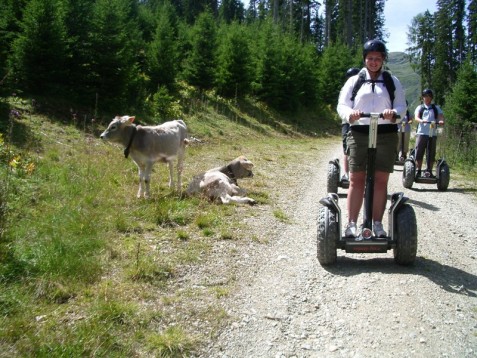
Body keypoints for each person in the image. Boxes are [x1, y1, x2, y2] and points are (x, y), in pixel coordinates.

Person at [337, 39, 406, 238]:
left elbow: (402, 106)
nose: (373, 62)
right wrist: (350, 114)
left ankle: (376, 223)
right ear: (365, 60)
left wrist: (394, 113)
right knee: (356, 179)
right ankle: (351, 224)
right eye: (370, 58)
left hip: (385, 133)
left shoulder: (392, 81)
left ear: (383, 59)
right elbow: (342, 104)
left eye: (377, 58)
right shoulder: (355, 81)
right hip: (359, 132)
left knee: (380, 179)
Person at [413, 88, 444, 178]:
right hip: (422, 133)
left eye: (429, 96)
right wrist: (422, 121)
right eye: (425, 96)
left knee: (431, 152)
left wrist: (441, 121)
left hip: (432, 133)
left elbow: (440, 117)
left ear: (431, 98)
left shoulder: (436, 108)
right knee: (419, 151)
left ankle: (429, 171)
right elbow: (416, 117)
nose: (427, 98)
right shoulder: (420, 107)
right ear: (422, 98)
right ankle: (418, 170)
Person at [340, 67, 361, 182]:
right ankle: (346, 174)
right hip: (347, 122)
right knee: (346, 148)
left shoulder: (363, 88)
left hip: (360, 124)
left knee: (360, 148)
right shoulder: (345, 90)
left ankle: (360, 174)